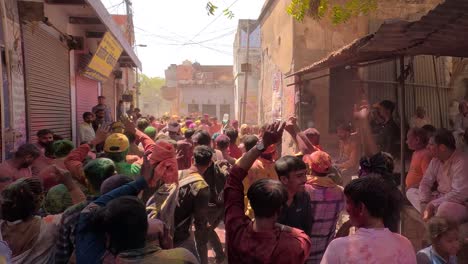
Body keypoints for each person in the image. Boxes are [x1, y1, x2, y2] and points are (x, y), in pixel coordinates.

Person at [75, 157, 198, 264]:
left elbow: (89, 211)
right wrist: (169, 250)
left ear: (107, 238)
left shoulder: (92, 258)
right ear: (146, 230)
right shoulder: (183, 258)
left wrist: (141, 182)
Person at [224, 121, 311, 263]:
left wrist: (262, 144)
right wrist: (279, 226)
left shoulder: (236, 229)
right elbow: (304, 237)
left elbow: (234, 177)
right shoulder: (292, 245)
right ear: (280, 209)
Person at [322, 176, 416, 263]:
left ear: (361, 208)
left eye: (348, 202)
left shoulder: (338, 247)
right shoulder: (404, 244)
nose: (346, 208)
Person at [1, 168, 85, 264]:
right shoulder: (49, 226)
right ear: (40, 200)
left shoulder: (2, 225)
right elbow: (82, 211)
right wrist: (71, 186)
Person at [411, 129, 468, 224]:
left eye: (431, 144)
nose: (427, 147)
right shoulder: (435, 160)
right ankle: (432, 216)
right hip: (439, 198)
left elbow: (459, 194)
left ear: (442, 147)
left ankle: (433, 218)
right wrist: (424, 203)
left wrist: (433, 204)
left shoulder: (461, 161)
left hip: (458, 203)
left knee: (444, 208)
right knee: (411, 192)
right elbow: (425, 182)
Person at [191, 132, 228, 263]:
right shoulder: (214, 161)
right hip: (217, 206)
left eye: (194, 142)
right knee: (208, 231)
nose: (192, 144)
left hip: (208, 207)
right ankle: (219, 254)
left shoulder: (203, 168)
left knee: (201, 239)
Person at [172, 146, 211, 263]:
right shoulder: (202, 186)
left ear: (193, 159)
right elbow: (200, 220)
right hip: (179, 233)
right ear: (209, 163)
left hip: (162, 225)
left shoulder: (177, 174)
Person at [304, 151, 344, 263]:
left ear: (310, 167)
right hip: (326, 253)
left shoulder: (303, 190)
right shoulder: (340, 192)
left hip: (304, 251)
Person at [275, 156, 312, 236]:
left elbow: (307, 227)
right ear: (284, 179)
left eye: (305, 174)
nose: (305, 180)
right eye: (299, 176)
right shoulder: (271, 200)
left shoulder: (304, 197)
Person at [405, 128, 432, 198]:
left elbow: (428, 180)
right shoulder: (415, 153)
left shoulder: (425, 155)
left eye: (408, 139)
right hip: (410, 189)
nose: (406, 142)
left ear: (417, 140)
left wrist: (410, 188)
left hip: (419, 191)